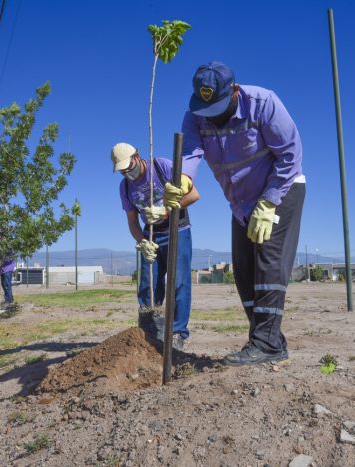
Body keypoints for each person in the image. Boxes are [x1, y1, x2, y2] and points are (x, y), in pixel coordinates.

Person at [167, 61, 305, 366]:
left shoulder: (263, 103)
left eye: (217, 107)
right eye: (206, 109)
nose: (211, 117)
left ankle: (266, 345)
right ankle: (271, 341)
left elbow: (291, 154)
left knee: (268, 262)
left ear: (234, 92)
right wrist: (184, 180)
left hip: (280, 189)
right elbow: (190, 153)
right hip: (241, 203)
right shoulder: (195, 117)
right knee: (243, 272)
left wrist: (269, 202)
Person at [111, 142, 200, 351]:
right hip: (151, 235)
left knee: (179, 283)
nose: (127, 173)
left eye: (128, 167)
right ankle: (150, 332)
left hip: (178, 231)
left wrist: (166, 211)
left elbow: (194, 195)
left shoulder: (161, 167)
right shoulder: (125, 187)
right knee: (147, 284)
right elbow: (133, 222)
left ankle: (178, 334)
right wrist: (142, 241)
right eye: (122, 171)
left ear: (137, 156)